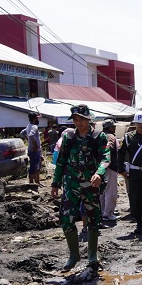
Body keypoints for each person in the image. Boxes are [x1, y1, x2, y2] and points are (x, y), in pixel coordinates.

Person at [51, 104, 110, 271]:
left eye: (82, 119)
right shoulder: (68, 137)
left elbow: (105, 158)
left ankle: (92, 255)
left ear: (88, 119)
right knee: (66, 218)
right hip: (71, 184)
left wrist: (99, 173)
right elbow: (61, 161)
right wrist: (55, 183)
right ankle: (74, 255)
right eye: (75, 119)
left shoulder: (99, 137)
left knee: (93, 220)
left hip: (91, 185)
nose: (78, 122)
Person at [118, 110, 142, 234]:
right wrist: (121, 170)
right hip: (134, 172)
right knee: (135, 199)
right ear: (135, 123)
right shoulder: (128, 137)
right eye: (139, 123)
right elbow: (120, 154)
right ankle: (139, 223)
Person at [101, 119, 120, 221]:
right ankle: (108, 214)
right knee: (111, 192)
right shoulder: (110, 137)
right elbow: (108, 148)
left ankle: (103, 211)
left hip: (102, 167)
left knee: (103, 192)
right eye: (113, 126)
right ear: (109, 127)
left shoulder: (100, 135)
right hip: (110, 167)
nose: (115, 128)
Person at [23, 112, 43, 185]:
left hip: (31, 149)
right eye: (37, 118)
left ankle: (36, 182)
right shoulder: (34, 127)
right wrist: (35, 145)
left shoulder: (28, 126)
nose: (38, 120)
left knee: (35, 166)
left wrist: (28, 140)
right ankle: (32, 183)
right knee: (35, 166)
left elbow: (22, 133)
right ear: (35, 119)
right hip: (35, 150)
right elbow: (31, 135)